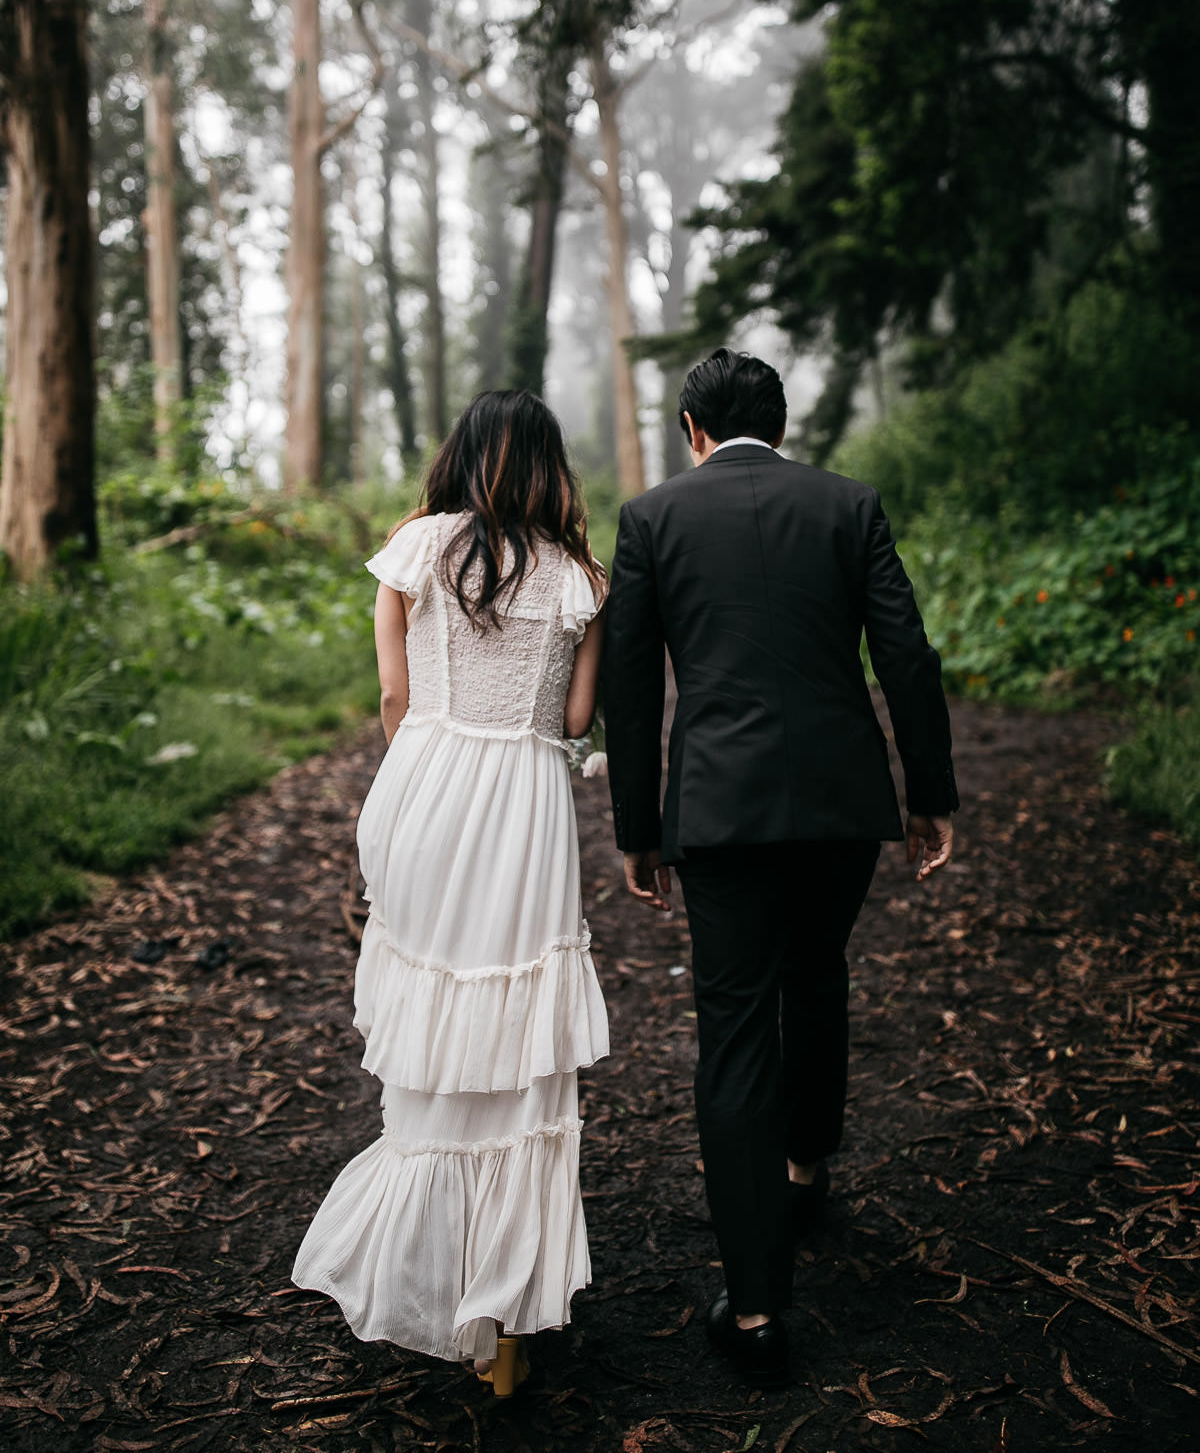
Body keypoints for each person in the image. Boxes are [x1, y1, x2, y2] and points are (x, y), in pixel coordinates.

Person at [603, 348, 957, 1388]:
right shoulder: (849, 506)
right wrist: (928, 793)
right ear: (783, 427)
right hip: (844, 806)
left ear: (690, 428)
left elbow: (629, 683)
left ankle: (756, 1310)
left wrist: (639, 829)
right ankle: (804, 1170)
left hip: (719, 814)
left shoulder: (653, 519)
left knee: (736, 1025)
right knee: (819, 975)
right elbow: (906, 652)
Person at [293, 390, 610, 1396]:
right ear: (550, 468)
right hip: (523, 802)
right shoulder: (578, 579)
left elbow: (393, 699)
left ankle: (422, 1271)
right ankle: (506, 1322)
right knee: (517, 1048)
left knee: (433, 1028)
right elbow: (575, 715)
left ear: (463, 457)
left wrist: (430, 766)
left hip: (419, 790)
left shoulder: (414, 547)